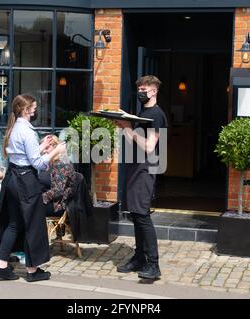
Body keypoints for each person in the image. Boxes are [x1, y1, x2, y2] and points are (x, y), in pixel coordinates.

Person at [0, 94, 66, 282]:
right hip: (26, 182)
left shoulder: (14, 127)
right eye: (33, 107)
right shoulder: (27, 131)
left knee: (14, 223)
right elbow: (38, 164)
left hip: (12, 179)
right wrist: (56, 151)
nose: (35, 109)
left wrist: (42, 146)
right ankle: (32, 271)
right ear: (25, 110)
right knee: (33, 225)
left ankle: (1, 266)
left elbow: (23, 156)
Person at [114, 75, 168, 280]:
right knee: (136, 215)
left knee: (142, 215)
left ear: (154, 91)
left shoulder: (157, 114)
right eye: (139, 88)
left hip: (146, 169)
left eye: (144, 89)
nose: (140, 92)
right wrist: (124, 125)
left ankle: (154, 265)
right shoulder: (144, 112)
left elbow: (149, 146)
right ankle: (139, 258)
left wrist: (128, 128)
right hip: (134, 167)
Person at [40, 135, 76, 217]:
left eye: (47, 148)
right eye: (43, 148)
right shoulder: (48, 163)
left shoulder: (61, 164)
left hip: (56, 205)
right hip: (47, 201)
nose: (44, 151)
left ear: (56, 147)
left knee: (28, 208)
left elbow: (58, 191)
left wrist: (39, 199)